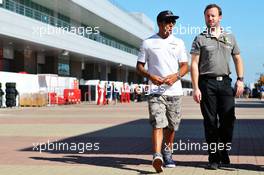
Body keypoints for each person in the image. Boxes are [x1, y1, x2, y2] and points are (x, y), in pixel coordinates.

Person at [190, 4, 244, 170]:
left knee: (228, 120)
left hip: (226, 83)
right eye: (207, 16)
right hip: (207, 84)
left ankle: (223, 150)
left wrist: (240, 79)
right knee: (210, 121)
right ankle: (214, 157)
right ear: (205, 18)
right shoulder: (200, 38)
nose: (210, 18)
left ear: (220, 17)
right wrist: (195, 87)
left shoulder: (230, 37)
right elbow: (193, 64)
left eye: (213, 15)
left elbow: (238, 59)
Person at [136, 10, 188, 173]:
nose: (171, 25)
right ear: (159, 24)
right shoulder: (147, 43)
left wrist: (176, 76)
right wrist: (150, 76)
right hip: (155, 91)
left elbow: (185, 66)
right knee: (158, 123)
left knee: (172, 126)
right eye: (168, 22)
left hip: (175, 91)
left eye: (173, 22)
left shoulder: (178, 42)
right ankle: (157, 155)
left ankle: (167, 152)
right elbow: (139, 66)